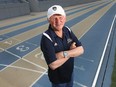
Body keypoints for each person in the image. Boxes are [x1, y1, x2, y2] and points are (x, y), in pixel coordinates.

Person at [40, 5, 84, 87]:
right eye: (54, 18)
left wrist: (62, 54)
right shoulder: (46, 38)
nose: (58, 21)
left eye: (60, 17)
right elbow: (53, 65)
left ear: (65, 18)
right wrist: (70, 53)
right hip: (58, 80)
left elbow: (81, 49)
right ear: (48, 20)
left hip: (70, 73)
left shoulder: (67, 30)